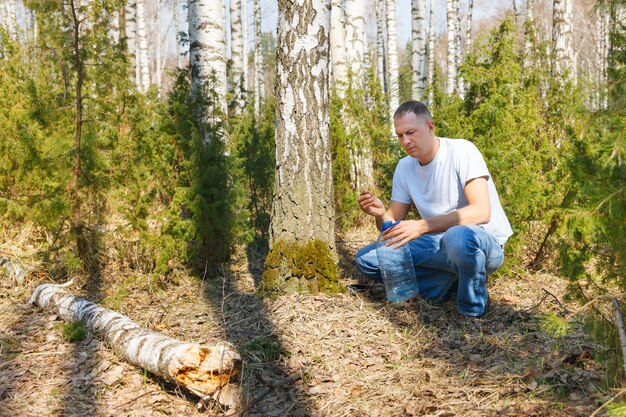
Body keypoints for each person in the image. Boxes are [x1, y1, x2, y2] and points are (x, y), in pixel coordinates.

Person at [355, 101, 513, 317]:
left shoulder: (461, 150)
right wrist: (381, 214)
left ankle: (472, 310)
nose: (406, 141)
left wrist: (422, 226)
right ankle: (447, 283)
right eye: (400, 135)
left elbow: (481, 212)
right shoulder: (404, 167)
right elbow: (390, 229)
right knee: (368, 259)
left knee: (457, 236)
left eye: (410, 132)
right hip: (437, 245)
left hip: (482, 243)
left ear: (430, 127)